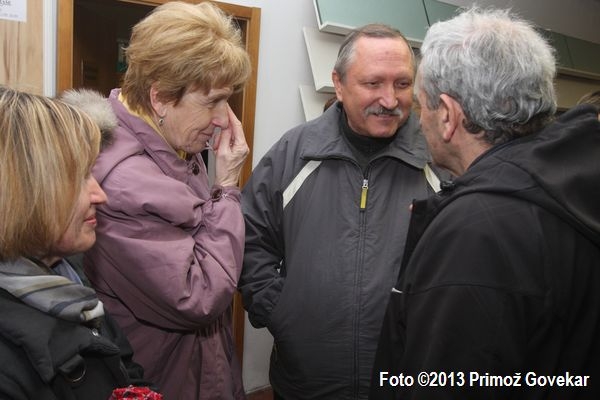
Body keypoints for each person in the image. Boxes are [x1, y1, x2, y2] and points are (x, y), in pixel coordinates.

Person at [371, 8, 600, 399]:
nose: (419, 120)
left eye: (423, 106)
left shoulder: (476, 233)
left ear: (448, 115)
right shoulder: (572, 181)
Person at [240, 24, 444, 399]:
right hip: (305, 381)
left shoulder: (441, 158)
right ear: (338, 83)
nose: (389, 99)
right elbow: (250, 241)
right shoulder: (294, 153)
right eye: (373, 83)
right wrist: (281, 312)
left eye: (402, 84)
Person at [81, 2, 252, 399]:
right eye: (212, 101)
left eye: (226, 100)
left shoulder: (171, 140)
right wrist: (226, 187)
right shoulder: (124, 184)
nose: (223, 118)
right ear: (159, 98)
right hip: (166, 381)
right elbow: (199, 295)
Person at [0, 86, 159, 400]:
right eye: (80, 177)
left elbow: (126, 371)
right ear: (25, 192)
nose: (100, 195)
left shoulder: (69, 280)